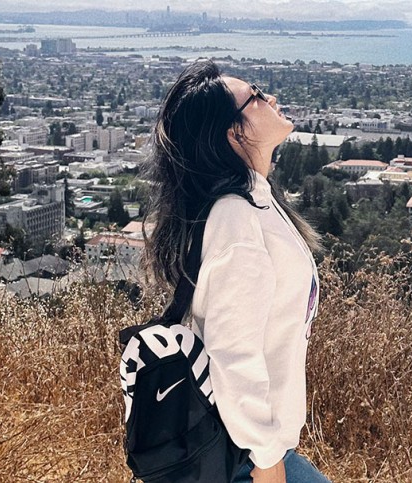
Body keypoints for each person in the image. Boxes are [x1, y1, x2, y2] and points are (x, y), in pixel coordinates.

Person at [143, 60, 331, 483]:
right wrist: (267, 463)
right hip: (245, 458)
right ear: (235, 132)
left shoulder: (253, 203)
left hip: (248, 449)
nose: (272, 98)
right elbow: (233, 353)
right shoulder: (238, 221)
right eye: (257, 96)